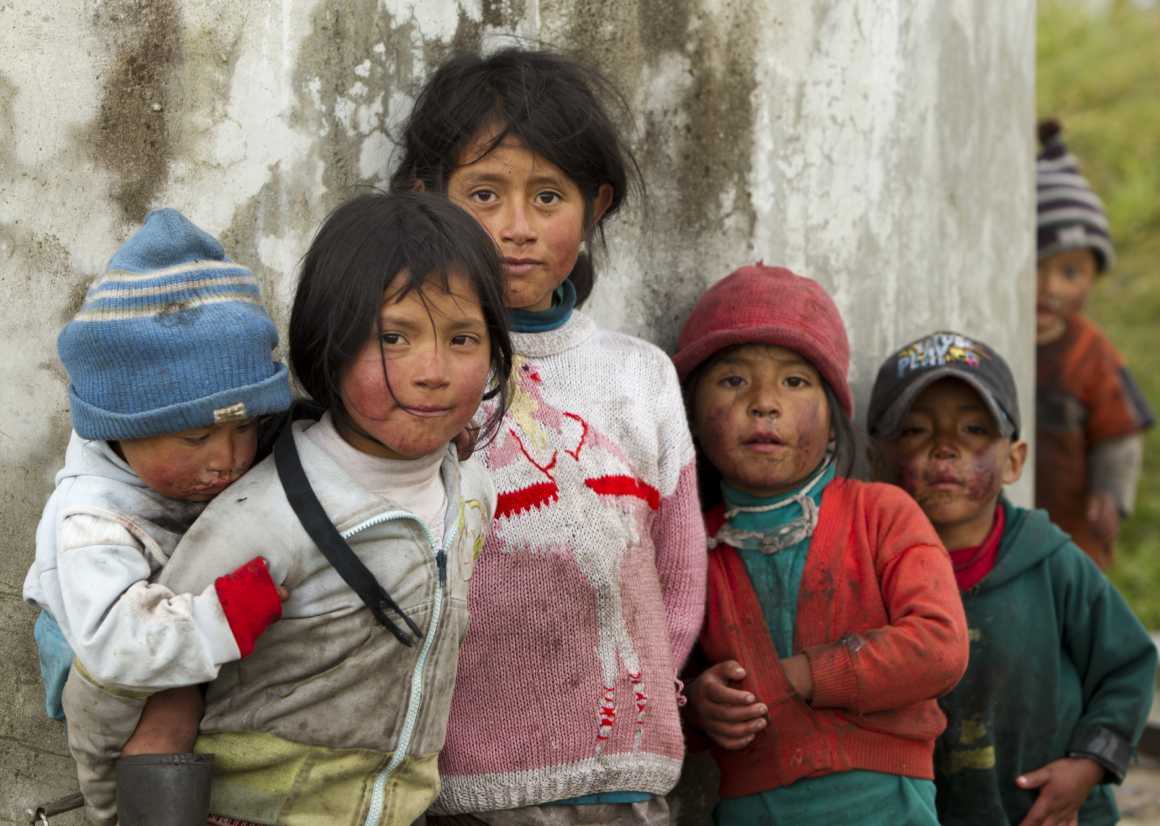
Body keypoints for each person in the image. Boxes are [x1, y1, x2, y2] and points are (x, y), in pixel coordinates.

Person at [57, 192, 512, 826]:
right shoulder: (264, 517)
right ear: (330, 345)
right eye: (393, 337)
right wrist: (114, 813)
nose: (432, 371)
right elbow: (114, 687)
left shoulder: (470, 492)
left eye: (462, 337)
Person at [391, 48, 707, 825]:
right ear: (428, 197)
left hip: (622, 777)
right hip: (459, 785)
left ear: (594, 207)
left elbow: (678, 569)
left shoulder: (640, 376)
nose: (516, 228)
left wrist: (636, 701)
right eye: (485, 193)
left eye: (548, 196)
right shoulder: (409, 374)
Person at [674, 264, 970, 826]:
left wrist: (803, 675)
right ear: (691, 417)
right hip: (754, 809)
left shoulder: (882, 514)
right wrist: (700, 704)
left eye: (794, 381)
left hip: (886, 805)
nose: (764, 403)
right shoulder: (691, 543)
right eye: (733, 380)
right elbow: (655, 678)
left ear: (834, 423)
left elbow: (940, 646)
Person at [22, 208, 292, 824]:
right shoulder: (93, 522)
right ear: (124, 429)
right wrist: (228, 615)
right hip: (101, 652)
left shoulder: (217, 442)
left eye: (246, 426)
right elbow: (121, 645)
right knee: (160, 740)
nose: (227, 459)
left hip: (174, 619)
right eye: (196, 439)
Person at [868, 329, 1158, 826]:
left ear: (1014, 460)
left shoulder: (1053, 565)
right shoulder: (871, 572)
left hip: (1048, 814)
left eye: (975, 430)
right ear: (879, 460)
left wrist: (1087, 765)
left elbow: (1127, 667)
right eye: (916, 430)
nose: (945, 448)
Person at [1035, 119, 1155, 568]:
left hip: (1073, 533)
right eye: (1035, 267)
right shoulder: (994, 337)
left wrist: (1111, 495)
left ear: (1094, 276)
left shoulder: (1091, 354)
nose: (1049, 287)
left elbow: (1120, 435)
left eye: (1070, 273)